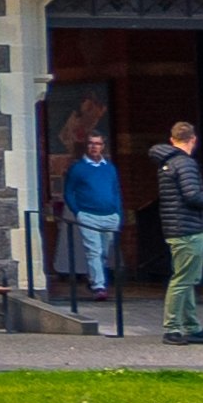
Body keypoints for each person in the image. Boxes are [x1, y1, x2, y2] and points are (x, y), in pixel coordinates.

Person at [153, 118, 203, 343]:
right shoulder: (185, 163)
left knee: (187, 278)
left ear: (172, 139)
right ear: (193, 139)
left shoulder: (167, 163)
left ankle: (192, 326)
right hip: (188, 229)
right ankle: (172, 328)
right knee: (182, 280)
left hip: (175, 228)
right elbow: (192, 196)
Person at [59, 122, 126, 321]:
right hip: (88, 214)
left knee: (104, 252)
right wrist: (78, 211)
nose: (94, 147)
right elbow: (69, 191)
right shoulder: (78, 168)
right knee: (94, 251)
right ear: (86, 146)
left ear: (103, 146)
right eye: (91, 144)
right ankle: (99, 287)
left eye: (98, 144)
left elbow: (116, 191)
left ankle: (95, 279)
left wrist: (118, 213)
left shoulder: (110, 169)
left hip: (110, 215)